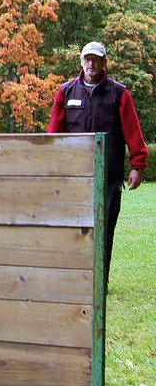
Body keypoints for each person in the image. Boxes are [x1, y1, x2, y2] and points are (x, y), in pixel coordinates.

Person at [48, 41, 148, 288]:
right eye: (87, 59)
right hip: (74, 178)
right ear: (81, 62)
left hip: (109, 179)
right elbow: (54, 136)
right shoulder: (65, 93)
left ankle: (99, 282)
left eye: (96, 59)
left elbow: (132, 131)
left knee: (103, 232)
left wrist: (137, 166)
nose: (91, 63)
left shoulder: (119, 94)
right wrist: (51, 169)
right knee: (73, 229)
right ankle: (75, 278)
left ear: (104, 62)